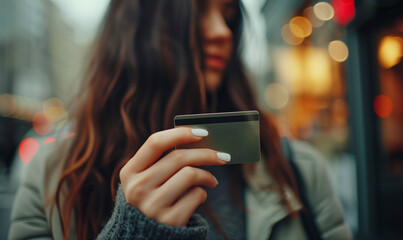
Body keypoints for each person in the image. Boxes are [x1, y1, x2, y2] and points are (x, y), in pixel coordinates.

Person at [8, 0, 352, 239]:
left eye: (228, 12)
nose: (223, 31)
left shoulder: (299, 170)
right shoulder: (54, 179)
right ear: (140, 28)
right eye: (198, 10)